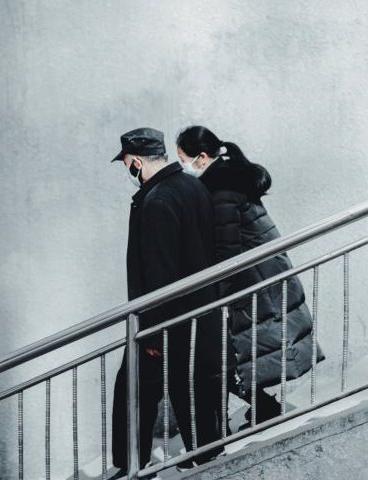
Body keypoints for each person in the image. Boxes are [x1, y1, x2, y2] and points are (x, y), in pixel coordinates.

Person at [176, 126, 323, 428]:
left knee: (226, 354)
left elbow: (227, 250)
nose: (182, 167)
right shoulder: (229, 179)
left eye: (183, 160)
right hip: (261, 279)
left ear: (201, 157)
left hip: (253, 283)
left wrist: (216, 297)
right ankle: (263, 406)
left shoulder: (220, 191)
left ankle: (263, 408)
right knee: (236, 353)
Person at [109, 127, 228, 476]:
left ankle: (132, 465)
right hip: (198, 313)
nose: (128, 171)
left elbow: (159, 270)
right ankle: (206, 454)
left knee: (134, 390)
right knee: (192, 387)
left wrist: (151, 329)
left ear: (135, 162)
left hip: (166, 320)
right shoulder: (192, 187)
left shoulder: (157, 200)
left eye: (126, 164)